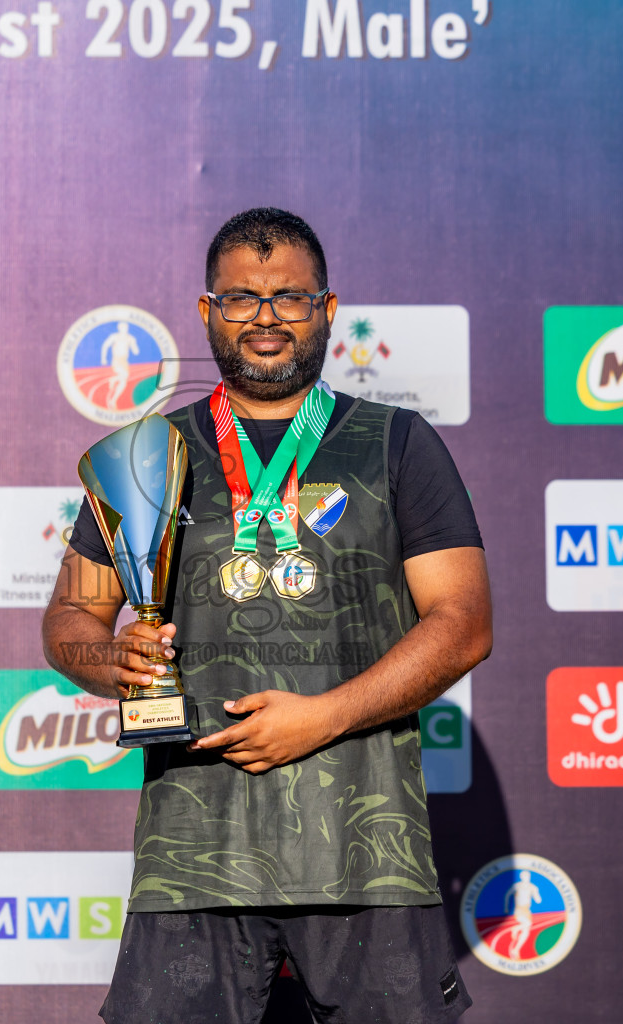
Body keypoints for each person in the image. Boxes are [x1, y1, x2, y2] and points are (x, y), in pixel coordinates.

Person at [42, 208, 491, 1023]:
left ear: (327, 309)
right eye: (243, 299)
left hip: (367, 854)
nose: (267, 319)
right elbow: (71, 622)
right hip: (194, 853)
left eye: (289, 298)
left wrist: (322, 719)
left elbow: (463, 623)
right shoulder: (144, 454)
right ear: (208, 311)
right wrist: (116, 661)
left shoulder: (396, 443)